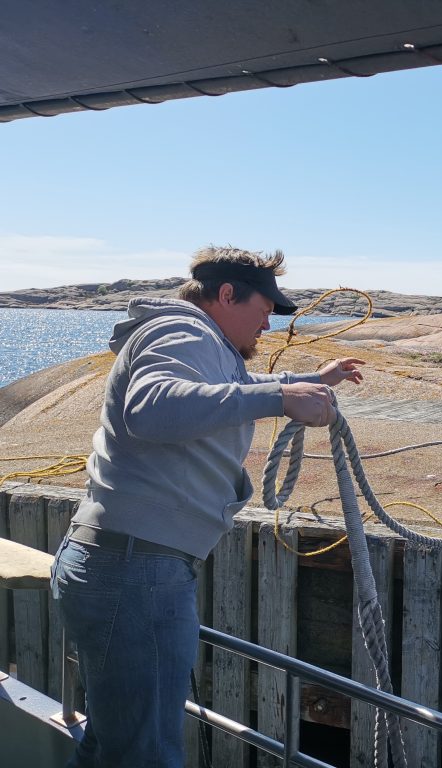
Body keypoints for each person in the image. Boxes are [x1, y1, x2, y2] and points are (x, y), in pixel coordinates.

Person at [50, 246, 364, 768]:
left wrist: (308, 381)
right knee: (144, 756)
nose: (268, 323)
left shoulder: (203, 343)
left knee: (118, 747)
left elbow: (232, 387)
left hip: (130, 566)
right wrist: (282, 401)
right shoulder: (184, 332)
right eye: (265, 309)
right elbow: (153, 407)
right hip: (136, 573)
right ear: (226, 295)